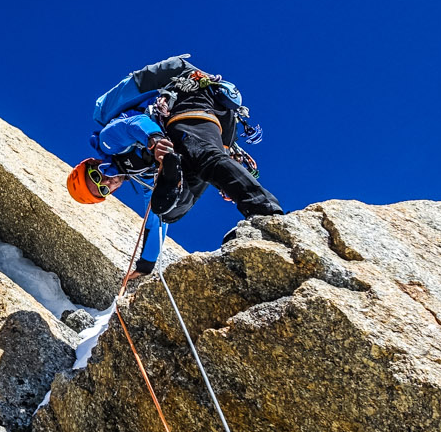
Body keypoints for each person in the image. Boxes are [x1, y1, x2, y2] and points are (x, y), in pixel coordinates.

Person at [66, 55, 283, 282]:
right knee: (165, 210)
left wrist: (155, 139)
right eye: (102, 190)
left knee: (202, 156)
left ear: (92, 163)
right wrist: (145, 266)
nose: (105, 182)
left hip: (186, 98)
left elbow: (131, 126)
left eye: (95, 176)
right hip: (212, 125)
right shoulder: (142, 180)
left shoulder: (107, 144)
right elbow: (155, 225)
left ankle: (264, 211)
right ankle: (173, 170)